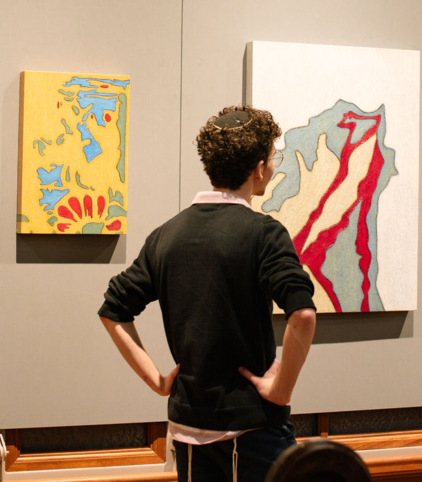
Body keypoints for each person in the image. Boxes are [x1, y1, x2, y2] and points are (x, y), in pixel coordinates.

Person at [98, 105, 317, 482]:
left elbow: (112, 311)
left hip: (186, 432)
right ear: (259, 169)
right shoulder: (264, 233)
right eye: (272, 157)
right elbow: (303, 314)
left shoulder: (166, 235)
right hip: (252, 433)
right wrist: (281, 390)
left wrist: (158, 381)